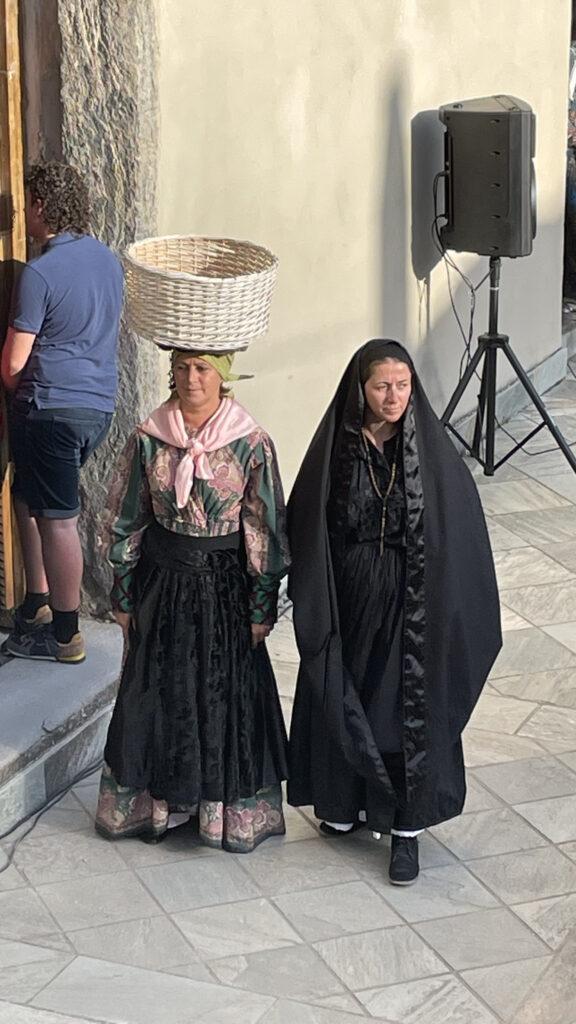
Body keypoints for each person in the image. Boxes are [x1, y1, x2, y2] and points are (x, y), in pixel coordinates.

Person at [287, 339, 501, 884]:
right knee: (345, 694)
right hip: (352, 600)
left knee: (401, 711)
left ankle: (407, 829)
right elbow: (308, 520)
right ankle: (347, 803)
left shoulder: (427, 449)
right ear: (361, 388)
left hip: (411, 605)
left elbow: (459, 526)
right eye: (382, 386)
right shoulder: (338, 446)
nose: (393, 396)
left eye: (402, 385)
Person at [95, 349, 290, 852]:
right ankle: (160, 802)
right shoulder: (149, 439)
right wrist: (122, 590)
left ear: (223, 377)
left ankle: (219, 810)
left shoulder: (250, 442)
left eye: (202, 369)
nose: (190, 379)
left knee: (221, 694)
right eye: (182, 368)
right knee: (158, 692)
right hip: (163, 581)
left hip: (224, 586)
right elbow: (126, 516)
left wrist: (260, 605)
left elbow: (263, 528)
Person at [1, 161, 123, 664]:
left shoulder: (41, 272)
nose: (23, 212)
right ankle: (36, 604)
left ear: (43, 206)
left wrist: (13, 389)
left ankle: (66, 634)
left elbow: (12, 363)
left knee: (58, 518)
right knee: (31, 498)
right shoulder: (109, 261)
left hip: (50, 407)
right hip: (97, 406)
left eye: (27, 203)